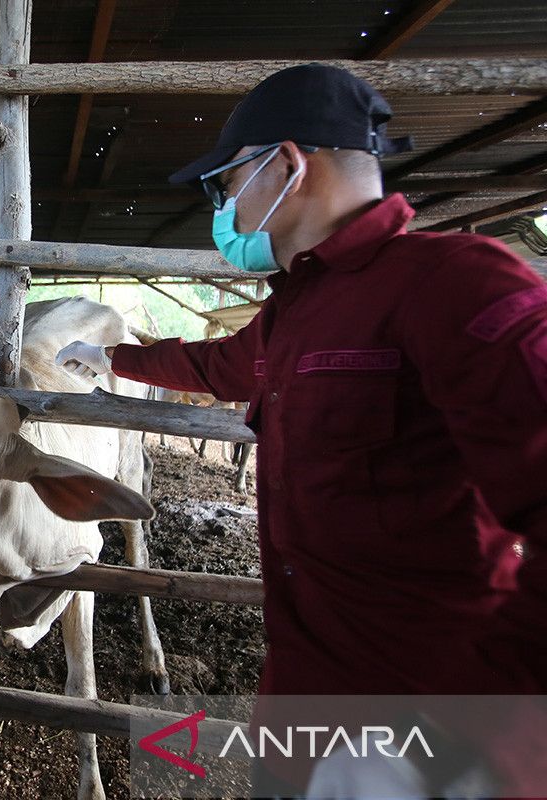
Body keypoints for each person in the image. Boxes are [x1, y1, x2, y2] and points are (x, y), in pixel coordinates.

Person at [57, 65, 547, 796]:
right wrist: (113, 357)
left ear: (286, 164)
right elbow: (224, 364)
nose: (222, 204)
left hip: (432, 720)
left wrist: (493, 747)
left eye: (226, 181)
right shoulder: (298, 307)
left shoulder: (460, 283)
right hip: (309, 688)